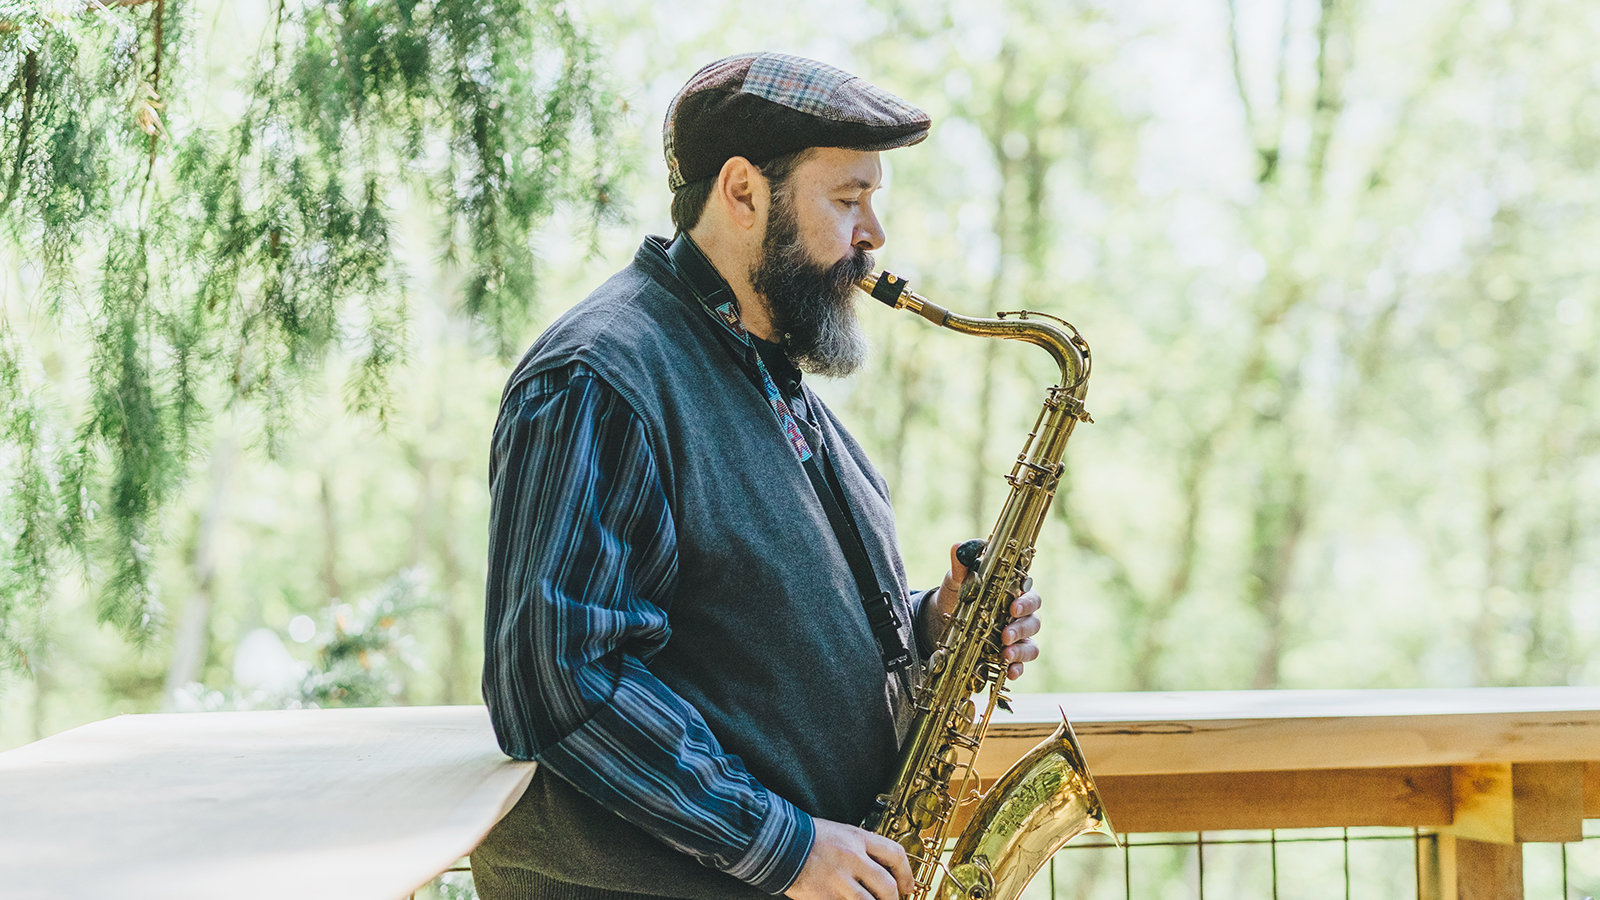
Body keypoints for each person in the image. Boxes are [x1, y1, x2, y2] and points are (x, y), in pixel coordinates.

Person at [473, 53, 1043, 900]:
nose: (874, 235)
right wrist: (785, 847)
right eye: (847, 199)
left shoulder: (772, 380)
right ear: (742, 191)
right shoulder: (600, 376)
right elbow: (557, 681)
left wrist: (937, 623)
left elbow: (752, 634)